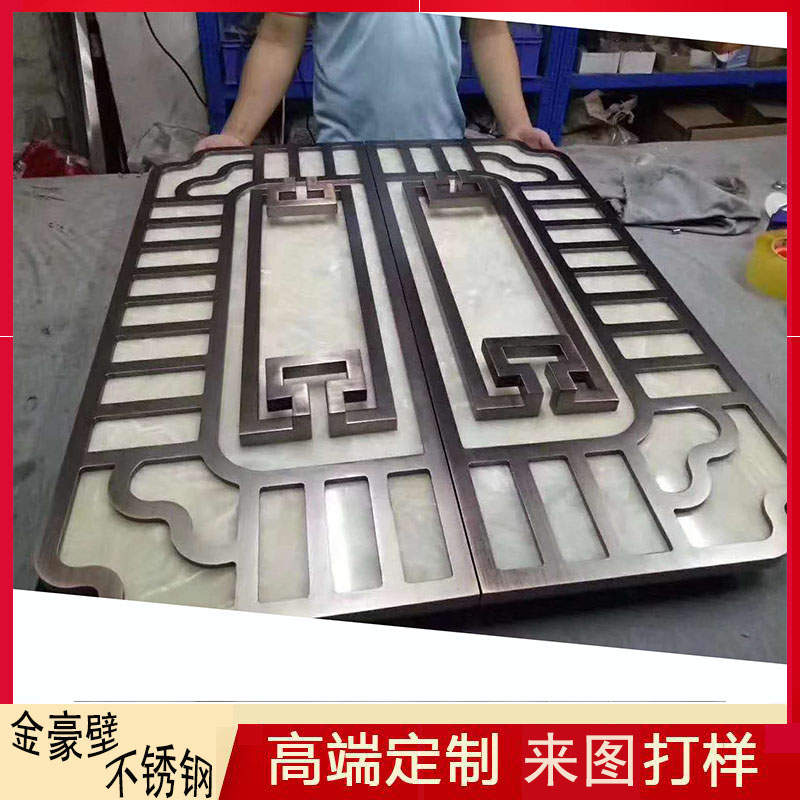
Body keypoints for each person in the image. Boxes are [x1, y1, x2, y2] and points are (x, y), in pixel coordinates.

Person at [196, 12, 556, 151]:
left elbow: (490, 30)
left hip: (441, 150)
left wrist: (517, 126)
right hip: (344, 154)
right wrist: (236, 135)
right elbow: (278, 38)